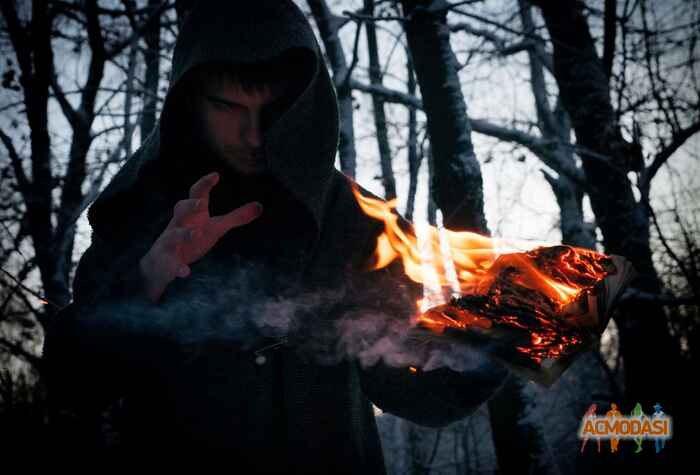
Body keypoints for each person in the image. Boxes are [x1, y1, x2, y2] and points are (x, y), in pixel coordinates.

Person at [41, 0, 511, 472]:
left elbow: (409, 391)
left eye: (276, 107)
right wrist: (147, 281)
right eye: (227, 106)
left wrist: (498, 345)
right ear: (190, 99)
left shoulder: (357, 220)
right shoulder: (143, 207)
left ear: (307, 99)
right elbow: (74, 382)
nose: (254, 134)